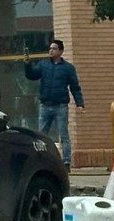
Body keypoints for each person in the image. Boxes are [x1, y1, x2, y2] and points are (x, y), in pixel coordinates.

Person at [23, 38, 84, 167]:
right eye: (50, 48)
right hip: (45, 105)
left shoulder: (68, 68)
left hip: (60, 106)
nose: (51, 51)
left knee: (64, 135)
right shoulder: (44, 65)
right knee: (41, 136)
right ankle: (41, 160)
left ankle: (66, 162)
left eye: (54, 48)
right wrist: (27, 65)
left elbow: (75, 86)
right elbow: (32, 76)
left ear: (61, 51)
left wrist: (79, 103)